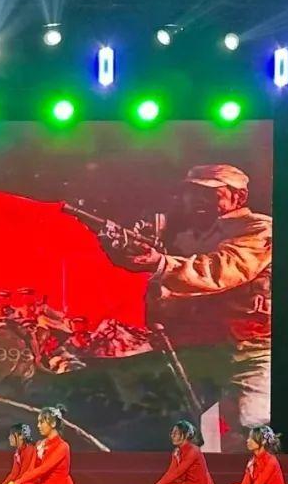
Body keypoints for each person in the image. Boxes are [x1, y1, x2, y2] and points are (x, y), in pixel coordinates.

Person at [103, 164, 271, 451]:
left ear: (239, 197)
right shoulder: (189, 238)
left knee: (249, 428)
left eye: (209, 193)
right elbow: (176, 293)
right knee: (199, 433)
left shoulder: (257, 229)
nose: (196, 200)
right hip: (202, 350)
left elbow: (221, 270)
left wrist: (160, 264)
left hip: (251, 351)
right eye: (191, 193)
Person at [10, 406, 85, 484]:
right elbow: (32, 469)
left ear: (53, 423)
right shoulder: (40, 444)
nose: (38, 426)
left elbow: (43, 469)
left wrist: (19, 482)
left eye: (42, 422)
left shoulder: (63, 446)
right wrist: (19, 483)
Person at [149, 420, 220, 484]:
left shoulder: (194, 451)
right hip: (184, 483)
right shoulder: (177, 451)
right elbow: (171, 471)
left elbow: (178, 472)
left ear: (186, 435)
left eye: (176, 433)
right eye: (172, 433)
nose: (173, 436)